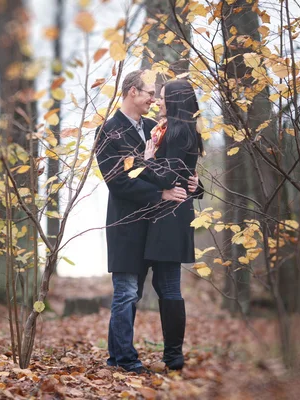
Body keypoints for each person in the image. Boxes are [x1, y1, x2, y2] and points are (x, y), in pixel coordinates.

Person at [95, 70, 191, 374]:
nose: (154, 98)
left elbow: (175, 168)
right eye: (150, 92)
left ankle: (117, 358)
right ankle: (125, 359)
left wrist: (193, 184)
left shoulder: (154, 127)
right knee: (125, 293)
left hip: (156, 229)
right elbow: (117, 182)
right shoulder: (107, 132)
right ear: (133, 92)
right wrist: (159, 194)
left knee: (139, 293)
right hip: (125, 225)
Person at [143, 79, 205, 371]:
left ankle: (174, 356)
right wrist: (197, 185)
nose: (159, 101)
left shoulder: (177, 132)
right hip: (172, 214)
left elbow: (168, 176)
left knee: (168, 286)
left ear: (177, 100)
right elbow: (186, 175)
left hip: (171, 216)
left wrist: (146, 160)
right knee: (164, 284)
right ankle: (173, 355)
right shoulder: (179, 130)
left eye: (164, 97)